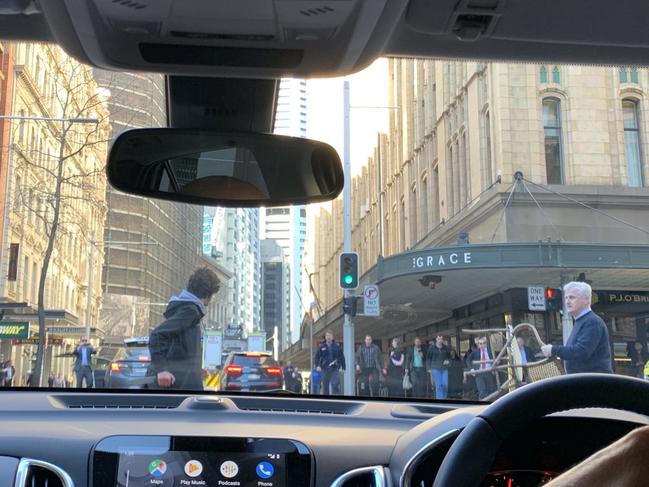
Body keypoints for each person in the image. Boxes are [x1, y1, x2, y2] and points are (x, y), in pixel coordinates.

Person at [149, 267, 221, 390]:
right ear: (209, 294)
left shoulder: (186, 309)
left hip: (180, 384)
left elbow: (177, 347)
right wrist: (162, 370)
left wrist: (195, 369)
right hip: (179, 388)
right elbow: (157, 335)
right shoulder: (190, 311)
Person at [541, 281, 613, 374]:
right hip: (585, 380)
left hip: (594, 382)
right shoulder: (582, 321)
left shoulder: (592, 322)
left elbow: (582, 351)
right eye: (566, 298)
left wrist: (553, 350)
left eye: (572, 297)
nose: (567, 301)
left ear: (586, 300)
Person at [314, 330, 345, 395]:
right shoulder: (321, 347)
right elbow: (316, 357)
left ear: (332, 337)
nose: (328, 337)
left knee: (335, 384)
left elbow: (342, 357)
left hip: (335, 368)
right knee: (325, 387)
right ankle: (327, 401)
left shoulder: (337, 347)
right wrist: (317, 366)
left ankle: (335, 400)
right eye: (327, 335)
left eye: (330, 336)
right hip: (324, 369)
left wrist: (343, 367)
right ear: (325, 337)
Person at [427, 335, 451, 400]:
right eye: (438, 339)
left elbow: (450, 358)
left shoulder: (446, 348)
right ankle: (440, 400)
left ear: (442, 340)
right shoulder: (431, 348)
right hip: (435, 369)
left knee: (445, 385)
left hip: (444, 369)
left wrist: (448, 361)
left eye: (441, 339)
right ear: (436, 339)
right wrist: (428, 368)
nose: (440, 340)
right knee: (438, 385)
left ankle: (444, 399)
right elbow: (428, 358)